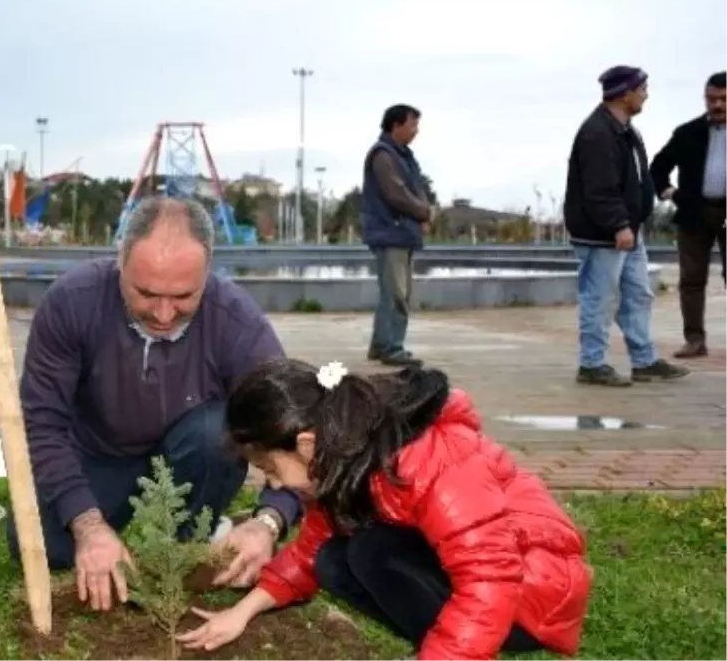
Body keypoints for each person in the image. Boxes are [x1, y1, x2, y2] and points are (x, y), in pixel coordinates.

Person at [176, 359, 593, 659]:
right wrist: (241, 613)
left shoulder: (429, 459)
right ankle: (446, 645)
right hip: (485, 584)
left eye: (270, 468)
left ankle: (454, 650)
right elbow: (308, 552)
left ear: (305, 443)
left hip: (532, 594)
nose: (273, 484)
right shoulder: (341, 458)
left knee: (369, 551)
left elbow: (491, 580)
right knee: (332, 558)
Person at [7, 196, 302, 611]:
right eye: (145, 293)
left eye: (183, 296)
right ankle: (111, 531)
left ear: (207, 273)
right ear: (119, 263)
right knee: (39, 544)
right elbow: (43, 422)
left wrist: (269, 522)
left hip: (191, 453)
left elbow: (293, 434)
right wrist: (87, 524)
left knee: (218, 431)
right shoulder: (71, 302)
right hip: (99, 455)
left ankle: (191, 542)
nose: (164, 314)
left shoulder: (237, 322)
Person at [562, 65, 689, 386]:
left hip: (628, 230)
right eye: (642, 88)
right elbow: (599, 188)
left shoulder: (625, 129)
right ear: (624, 93)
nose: (646, 94)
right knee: (600, 299)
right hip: (604, 234)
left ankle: (644, 361)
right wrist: (618, 224)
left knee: (637, 295)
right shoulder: (598, 133)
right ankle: (592, 365)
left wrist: (631, 223)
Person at [649, 71, 727, 358]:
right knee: (691, 279)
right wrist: (672, 194)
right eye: (711, 99)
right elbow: (657, 168)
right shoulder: (687, 133)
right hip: (695, 213)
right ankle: (694, 340)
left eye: (723, 99)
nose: (717, 105)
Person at [360, 104, 436, 368]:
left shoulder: (403, 156)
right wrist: (423, 212)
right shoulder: (384, 155)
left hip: (401, 233)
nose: (416, 131)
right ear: (396, 125)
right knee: (396, 294)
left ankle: (381, 345)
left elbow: (416, 187)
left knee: (391, 294)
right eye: (412, 125)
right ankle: (392, 348)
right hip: (390, 232)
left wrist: (424, 213)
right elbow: (397, 194)